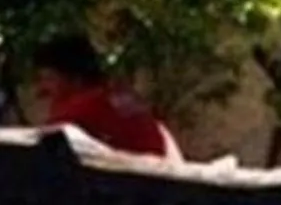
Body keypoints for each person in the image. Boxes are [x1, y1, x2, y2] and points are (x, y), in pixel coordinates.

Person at [25, 32, 181, 159]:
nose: (41, 89)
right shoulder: (122, 98)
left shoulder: (79, 110)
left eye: (48, 79)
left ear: (76, 79)